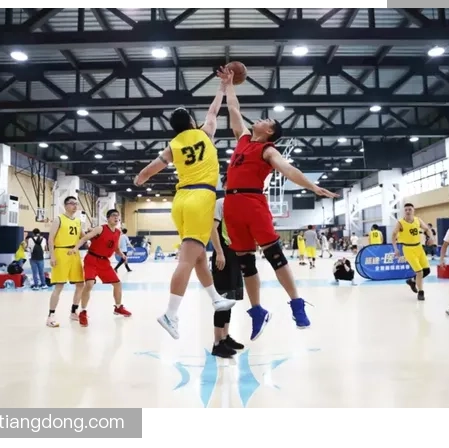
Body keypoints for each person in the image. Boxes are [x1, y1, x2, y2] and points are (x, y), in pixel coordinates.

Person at [218, 66, 337, 341]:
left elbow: (288, 169)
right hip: (232, 205)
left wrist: (312, 186)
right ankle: (257, 311)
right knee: (246, 264)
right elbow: (234, 108)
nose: (259, 119)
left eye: (266, 119)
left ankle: (296, 303)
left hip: (253, 202)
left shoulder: (267, 150)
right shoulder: (243, 139)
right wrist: (228, 84)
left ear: (269, 130)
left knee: (275, 257)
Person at [134, 77, 236, 340]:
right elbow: (213, 111)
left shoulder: (173, 145)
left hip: (180, 201)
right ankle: (170, 313)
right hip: (201, 198)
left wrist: (139, 179)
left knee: (199, 256)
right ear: (191, 122)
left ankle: (215, 299)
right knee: (187, 260)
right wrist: (221, 88)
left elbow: (149, 170)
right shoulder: (205, 133)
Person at [68, 209, 131, 327]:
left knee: (117, 284)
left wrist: (122, 254)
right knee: (89, 284)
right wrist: (75, 248)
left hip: (104, 262)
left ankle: (118, 307)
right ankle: (83, 312)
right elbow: (84, 238)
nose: (116, 218)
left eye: (117, 216)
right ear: (108, 218)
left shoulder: (118, 232)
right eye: (113, 215)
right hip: (92, 259)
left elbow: (116, 248)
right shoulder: (100, 229)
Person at [208, 175, 245, 358]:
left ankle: (225, 336)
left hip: (235, 256)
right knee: (222, 301)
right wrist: (219, 252)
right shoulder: (221, 203)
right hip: (223, 255)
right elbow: (212, 229)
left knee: (230, 299)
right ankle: (217, 343)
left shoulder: (240, 205)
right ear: (224, 186)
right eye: (229, 183)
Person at [46, 196, 85, 328]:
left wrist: (94, 234)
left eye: (76, 204)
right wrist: (52, 256)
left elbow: (83, 237)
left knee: (80, 284)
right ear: (65, 205)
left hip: (74, 253)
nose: (74, 206)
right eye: (72, 203)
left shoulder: (78, 221)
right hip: (61, 252)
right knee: (59, 286)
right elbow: (50, 239)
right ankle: (51, 315)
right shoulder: (59, 219)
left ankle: (74, 312)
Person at [392, 203, 433, 301]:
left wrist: (431, 237)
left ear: (413, 210)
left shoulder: (418, 220)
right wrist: (395, 248)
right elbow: (393, 235)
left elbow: (427, 229)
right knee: (419, 272)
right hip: (408, 249)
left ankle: (412, 281)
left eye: (410, 209)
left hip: (419, 247)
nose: (408, 211)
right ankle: (421, 292)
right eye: (406, 210)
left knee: (426, 271)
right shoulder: (400, 223)